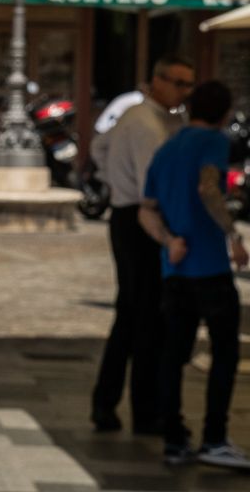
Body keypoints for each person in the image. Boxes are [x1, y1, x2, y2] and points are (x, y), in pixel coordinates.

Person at [140, 80, 249, 469]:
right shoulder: (214, 143)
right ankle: (215, 438)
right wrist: (233, 235)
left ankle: (174, 438)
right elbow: (209, 188)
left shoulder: (168, 148)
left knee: (174, 353)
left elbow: (146, 208)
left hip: (175, 267)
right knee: (224, 353)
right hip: (208, 266)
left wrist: (168, 240)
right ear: (223, 113)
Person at [88, 55, 194, 434]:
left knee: (136, 315)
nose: (185, 92)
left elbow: (99, 149)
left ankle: (115, 403)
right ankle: (138, 409)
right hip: (139, 220)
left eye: (189, 85)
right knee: (144, 316)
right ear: (158, 81)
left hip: (132, 214)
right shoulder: (144, 122)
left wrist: (114, 178)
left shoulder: (162, 119)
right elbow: (156, 182)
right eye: (179, 83)